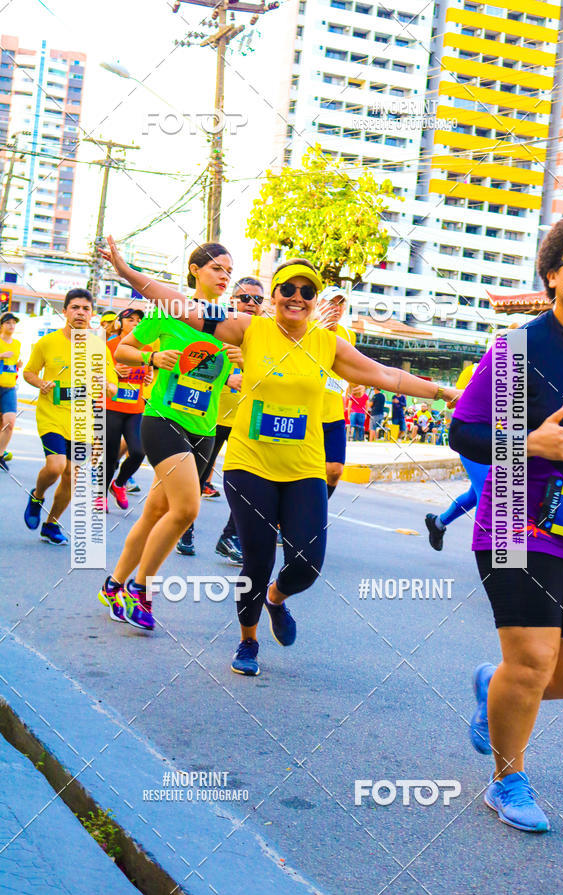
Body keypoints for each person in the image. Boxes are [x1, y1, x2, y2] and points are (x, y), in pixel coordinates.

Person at [102, 244, 460, 674]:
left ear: (315, 300)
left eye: (306, 291)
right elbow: (180, 306)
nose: (296, 296)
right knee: (249, 555)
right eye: (286, 288)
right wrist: (126, 270)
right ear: (273, 295)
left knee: (306, 565)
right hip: (247, 464)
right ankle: (246, 641)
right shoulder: (248, 330)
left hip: (303, 467)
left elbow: (386, 374)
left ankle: (276, 598)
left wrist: (443, 392)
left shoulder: (327, 344)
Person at [449, 210, 563, 833]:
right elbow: (463, 432)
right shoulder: (520, 349)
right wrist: (528, 445)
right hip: (515, 517)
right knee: (536, 659)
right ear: (551, 276)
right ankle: (508, 779)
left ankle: (496, 686)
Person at [96, 241, 233, 630]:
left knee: (157, 510)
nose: (224, 277)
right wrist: (152, 358)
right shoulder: (168, 313)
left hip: (204, 430)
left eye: (228, 271)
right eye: (216, 269)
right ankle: (139, 590)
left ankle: (114, 583)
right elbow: (123, 349)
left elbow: (224, 381)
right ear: (195, 270)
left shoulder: (231, 326)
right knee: (187, 510)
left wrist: (241, 368)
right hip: (162, 421)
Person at [176, 277, 265, 560]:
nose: (251, 304)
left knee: (249, 481)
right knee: (198, 477)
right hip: (211, 413)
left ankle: (230, 537)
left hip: (251, 418)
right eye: (245, 298)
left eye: (258, 300)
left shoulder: (266, 335)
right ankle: (184, 527)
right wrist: (229, 375)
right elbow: (196, 364)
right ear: (232, 301)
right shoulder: (216, 326)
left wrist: (248, 361)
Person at [23, 289, 117, 545]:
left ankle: (51, 524)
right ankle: (37, 495)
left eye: (86, 309)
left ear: (92, 314)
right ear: (64, 311)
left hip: (83, 422)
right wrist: (41, 383)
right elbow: (29, 373)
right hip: (52, 414)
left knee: (71, 476)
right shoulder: (47, 343)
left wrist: (106, 385)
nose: (80, 313)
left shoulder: (99, 347)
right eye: (75, 307)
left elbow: (113, 385)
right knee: (55, 467)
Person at [425, 361, 489, 551]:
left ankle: (437, 523)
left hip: (503, 441)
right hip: (474, 437)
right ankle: (490, 552)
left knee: (475, 495)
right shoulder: (474, 370)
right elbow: (454, 403)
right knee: (488, 492)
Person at [102, 308, 152, 512]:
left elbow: (148, 372)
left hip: (136, 408)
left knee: (139, 451)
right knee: (110, 454)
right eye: (130, 319)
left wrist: (147, 377)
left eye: (139, 320)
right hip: (112, 406)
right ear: (120, 323)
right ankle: (100, 494)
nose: (136, 322)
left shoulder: (146, 347)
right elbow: (98, 374)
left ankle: (119, 483)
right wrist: (113, 372)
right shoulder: (109, 346)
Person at [317, 285, 356, 497]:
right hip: (307, 412)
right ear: (319, 304)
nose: (337, 308)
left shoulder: (348, 335)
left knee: (334, 470)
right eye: (332, 302)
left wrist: (356, 384)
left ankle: (315, 510)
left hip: (334, 414)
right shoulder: (308, 328)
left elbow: (351, 371)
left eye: (341, 303)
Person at [0, 311, 22, 471]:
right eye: (8, 322)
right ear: (2, 325)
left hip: (9, 387)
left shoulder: (17, 344)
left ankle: (0, 455)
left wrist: (17, 365)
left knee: (9, 422)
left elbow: (11, 365)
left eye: (14, 323)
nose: (11, 325)